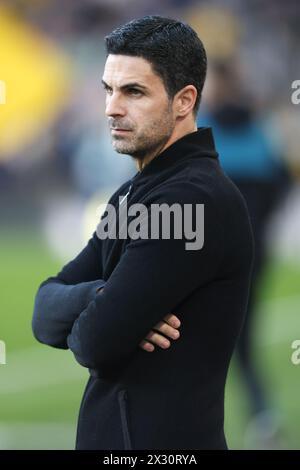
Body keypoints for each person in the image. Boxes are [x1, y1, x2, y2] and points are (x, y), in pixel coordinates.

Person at [32, 16, 253, 450]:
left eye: (134, 91)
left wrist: (102, 314)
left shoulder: (191, 199)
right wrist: (100, 297)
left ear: (184, 100)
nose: (112, 107)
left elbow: (95, 343)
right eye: (108, 90)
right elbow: (43, 311)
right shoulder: (132, 194)